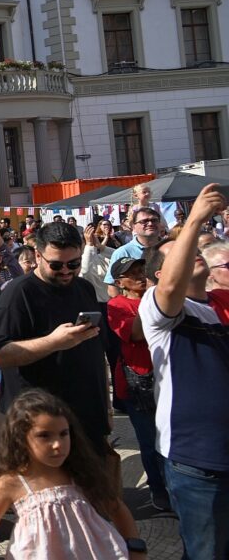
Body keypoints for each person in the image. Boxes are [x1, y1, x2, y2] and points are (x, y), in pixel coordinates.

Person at [138, 183, 229, 558]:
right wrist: (193, 220)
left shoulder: (221, 301)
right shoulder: (159, 312)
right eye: (176, 253)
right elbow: (173, 285)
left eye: (192, 248)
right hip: (198, 461)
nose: (189, 253)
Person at [0, 389, 143, 560]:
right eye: (44, 436)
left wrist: (137, 550)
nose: (57, 444)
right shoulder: (12, 482)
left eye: (63, 434)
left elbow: (117, 508)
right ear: (20, 438)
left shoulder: (79, 472)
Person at [0, 221, 111, 459]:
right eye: (56, 265)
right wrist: (54, 342)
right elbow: (1, 355)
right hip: (40, 423)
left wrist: (105, 409)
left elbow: (98, 354)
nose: (66, 271)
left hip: (86, 418)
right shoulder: (17, 294)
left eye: (73, 264)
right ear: (37, 255)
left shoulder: (83, 288)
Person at [106, 257, 169, 511]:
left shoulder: (156, 298)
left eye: (141, 270)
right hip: (138, 381)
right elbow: (135, 333)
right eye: (132, 274)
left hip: (166, 377)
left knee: (170, 438)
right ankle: (158, 489)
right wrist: (151, 301)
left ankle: (173, 488)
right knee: (149, 441)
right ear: (120, 282)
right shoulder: (116, 305)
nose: (140, 276)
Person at [104, 206, 163, 298]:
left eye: (154, 220)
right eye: (144, 221)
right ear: (133, 226)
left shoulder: (170, 248)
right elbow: (112, 288)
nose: (150, 223)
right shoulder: (123, 252)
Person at [80, 223, 115, 303]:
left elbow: (118, 255)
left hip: (110, 302)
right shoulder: (78, 261)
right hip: (92, 304)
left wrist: (101, 247)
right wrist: (89, 245)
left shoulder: (103, 257)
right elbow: (84, 271)